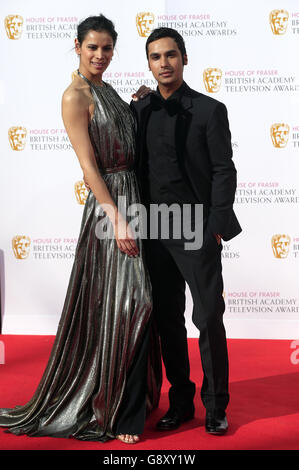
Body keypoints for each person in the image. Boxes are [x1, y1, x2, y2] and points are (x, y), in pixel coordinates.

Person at [0, 15, 161, 445]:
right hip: (111, 207)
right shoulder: (75, 96)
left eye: (107, 48)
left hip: (136, 198)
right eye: (93, 47)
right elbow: (89, 166)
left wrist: (138, 103)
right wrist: (116, 216)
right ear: (77, 46)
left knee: (142, 302)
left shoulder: (107, 90)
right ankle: (117, 413)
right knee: (134, 302)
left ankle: (131, 404)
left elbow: (126, 137)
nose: (100, 55)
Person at [131, 27, 242, 435]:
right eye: (156, 56)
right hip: (154, 229)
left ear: (184, 58)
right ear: (148, 63)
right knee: (167, 320)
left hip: (196, 229)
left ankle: (215, 405)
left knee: (209, 315)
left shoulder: (211, 111)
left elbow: (223, 171)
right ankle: (180, 401)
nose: (164, 62)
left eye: (171, 55)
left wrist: (215, 225)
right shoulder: (139, 110)